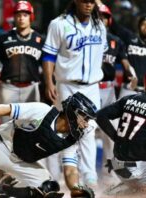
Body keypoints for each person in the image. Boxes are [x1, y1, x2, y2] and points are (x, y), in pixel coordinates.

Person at [42, 0, 107, 187]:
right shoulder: (59, 23)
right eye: (84, 1)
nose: (88, 5)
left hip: (92, 86)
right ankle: (67, 173)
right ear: (76, 1)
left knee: (89, 129)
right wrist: (49, 81)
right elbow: (48, 55)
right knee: (67, 128)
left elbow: (100, 54)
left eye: (91, 1)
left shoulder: (99, 26)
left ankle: (90, 177)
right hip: (67, 84)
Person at [97, 4, 137, 174]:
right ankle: (82, 174)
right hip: (90, 88)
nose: (101, 20)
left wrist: (131, 74)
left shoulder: (116, 41)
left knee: (111, 133)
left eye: (104, 17)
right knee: (85, 132)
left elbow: (125, 62)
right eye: (98, 16)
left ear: (109, 20)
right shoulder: (86, 38)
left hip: (108, 89)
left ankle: (109, 175)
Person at [96, 82, 146, 195]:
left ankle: (118, 192)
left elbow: (100, 115)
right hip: (135, 169)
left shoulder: (128, 99)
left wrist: (116, 138)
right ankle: (130, 191)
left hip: (116, 164)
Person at [97, 1, 146, 97]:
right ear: (139, 26)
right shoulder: (130, 38)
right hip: (128, 88)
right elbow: (113, 24)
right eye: (143, 24)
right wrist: (98, 2)